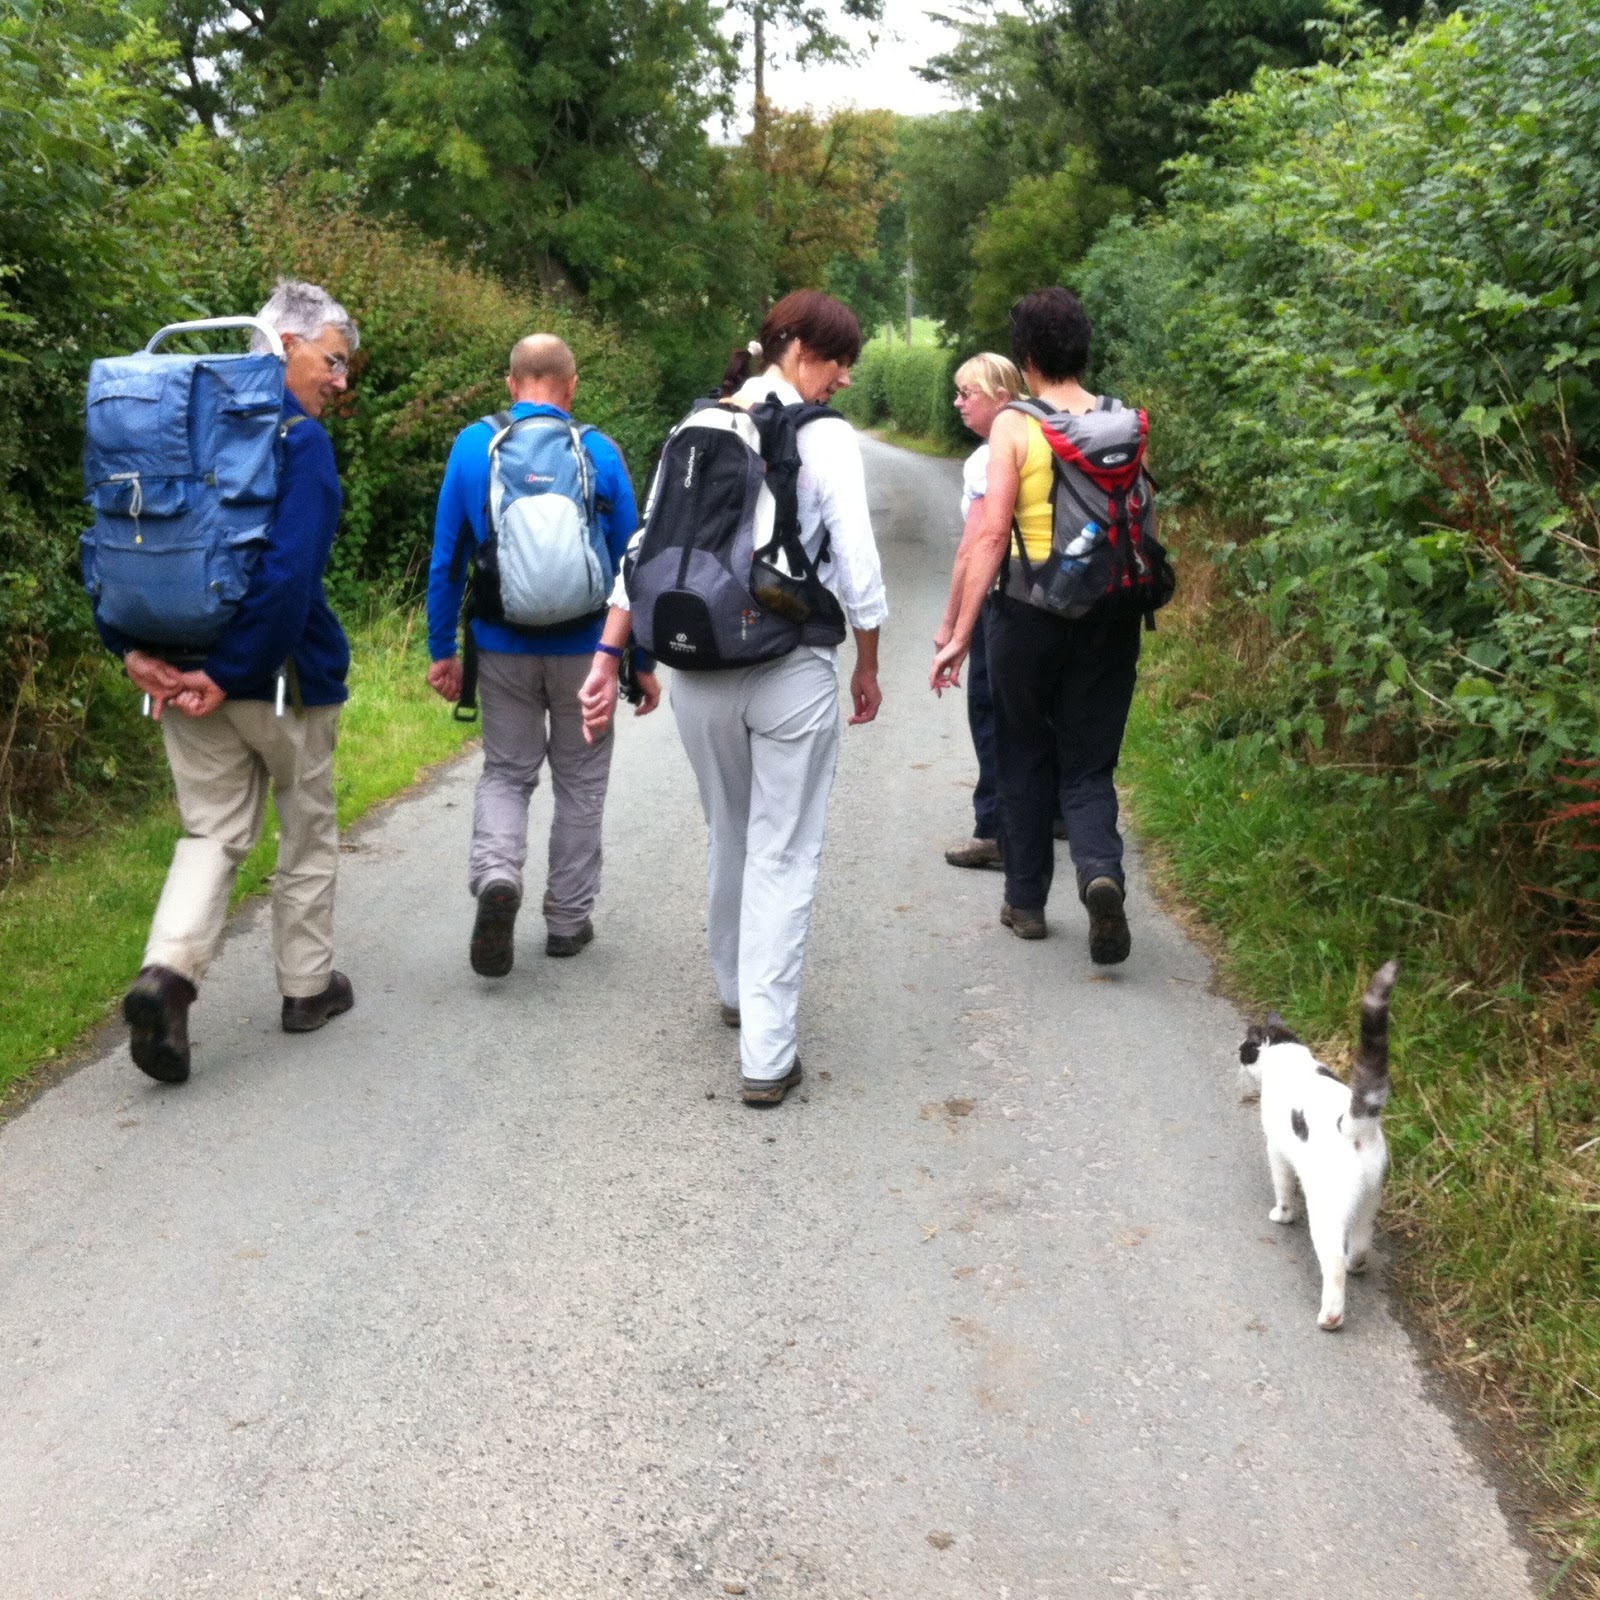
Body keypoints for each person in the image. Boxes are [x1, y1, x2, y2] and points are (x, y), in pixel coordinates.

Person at [579, 290, 887, 1106]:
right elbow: (857, 566)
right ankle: (767, 1053)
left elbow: (644, 547)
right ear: (799, 350)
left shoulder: (699, 422)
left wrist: (609, 654)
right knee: (783, 851)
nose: (843, 380)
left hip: (698, 673)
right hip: (790, 667)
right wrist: (868, 660)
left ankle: (734, 990)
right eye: (838, 363)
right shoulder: (823, 438)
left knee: (730, 834)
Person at [106, 280, 360, 1084]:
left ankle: (167, 976)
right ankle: (306, 988)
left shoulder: (175, 423)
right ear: (286, 345)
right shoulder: (298, 441)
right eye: (334, 361)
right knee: (307, 825)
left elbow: (119, 539)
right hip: (278, 678)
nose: (341, 381)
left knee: (211, 832)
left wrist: (130, 648)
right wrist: (233, 671)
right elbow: (289, 576)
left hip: (177, 665)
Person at [426, 334, 656, 976]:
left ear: (511, 383)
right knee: (581, 783)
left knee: (506, 773)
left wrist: (443, 650)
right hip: (588, 652)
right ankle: (567, 921)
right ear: (571, 386)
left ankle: (498, 876)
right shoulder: (598, 450)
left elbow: (446, 560)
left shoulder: (473, 446)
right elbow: (634, 565)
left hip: (501, 646)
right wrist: (640, 662)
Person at [930, 287, 1138, 964]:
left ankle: (1025, 904)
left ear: (1025, 360)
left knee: (1023, 751)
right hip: (1110, 611)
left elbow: (991, 536)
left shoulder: (1015, 427)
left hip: (1026, 612)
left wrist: (960, 632)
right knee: (1090, 760)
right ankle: (1100, 871)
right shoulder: (1123, 420)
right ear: (1083, 349)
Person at [939, 352, 1022, 871]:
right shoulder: (1046, 442)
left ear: (1002, 398)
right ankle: (1054, 812)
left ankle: (993, 828)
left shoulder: (987, 459)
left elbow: (974, 549)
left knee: (990, 710)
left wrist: (953, 625)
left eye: (968, 393)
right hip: (1052, 597)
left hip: (1001, 600)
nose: (957, 402)